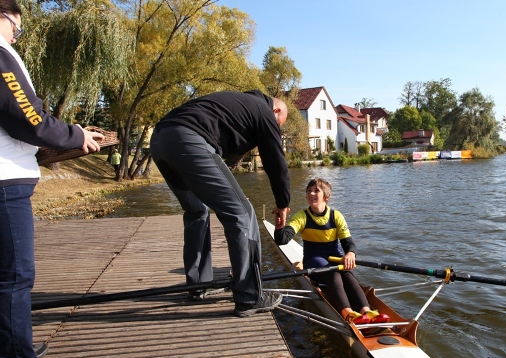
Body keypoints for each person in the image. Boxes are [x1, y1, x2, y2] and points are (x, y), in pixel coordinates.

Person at [0, 0, 103, 358]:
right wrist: (76, 135)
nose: (16, 37)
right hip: (5, 182)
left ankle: (12, 349)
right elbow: (28, 116)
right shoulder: (0, 53)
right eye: (16, 28)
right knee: (14, 277)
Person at [149, 89, 290, 317]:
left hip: (160, 140)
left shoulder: (239, 105)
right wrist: (283, 204)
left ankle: (199, 285)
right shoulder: (264, 112)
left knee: (196, 210)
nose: (276, 128)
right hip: (189, 140)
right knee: (243, 213)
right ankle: (250, 296)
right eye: (279, 124)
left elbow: (227, 156)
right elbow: (276, 162)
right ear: (276, 110)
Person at [274, 178, 390, 325]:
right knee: (334, 275)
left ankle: (366, 312)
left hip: (336, 258)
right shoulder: (302, 216)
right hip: (314, 259)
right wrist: (280, 226)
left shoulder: (336, 216)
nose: (311, 193)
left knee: (348, 276)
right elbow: (282, 240)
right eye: (309, 191)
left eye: (316, 191)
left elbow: (348, 243)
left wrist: (350, 254)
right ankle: (348, 314)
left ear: (326, 197)